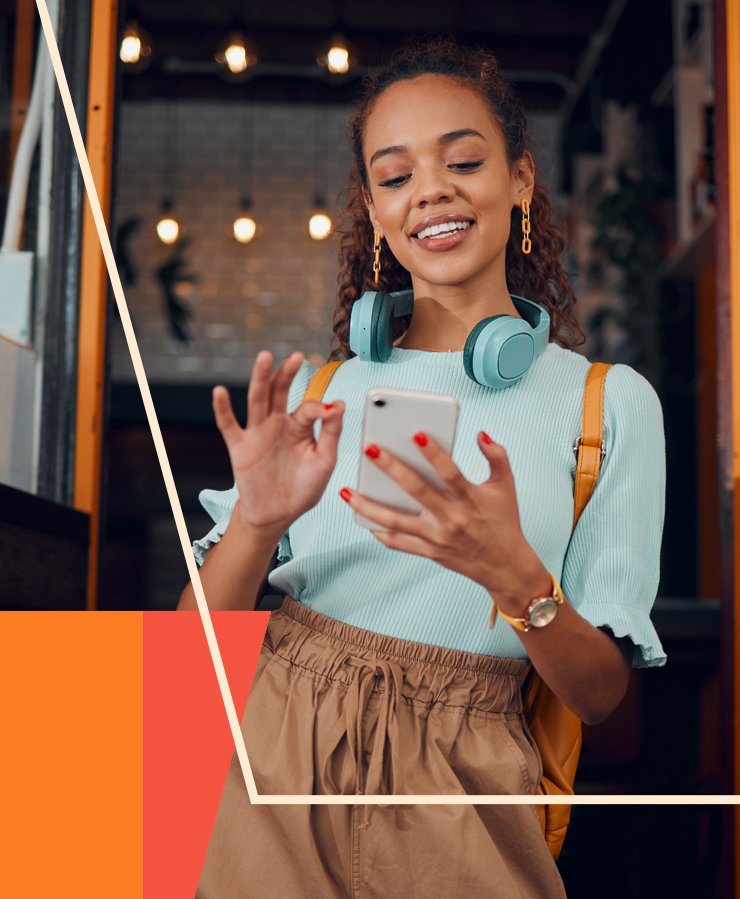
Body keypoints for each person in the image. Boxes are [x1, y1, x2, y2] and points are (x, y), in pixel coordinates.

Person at [180, 38, 666, 899]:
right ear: (373, 207)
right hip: (267, 760)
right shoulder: (319, 389)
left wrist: (517, 579)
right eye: (395, 176)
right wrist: (254, 523)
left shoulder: (609, 405)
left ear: (520, 179)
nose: (431, 191)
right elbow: (185, 656)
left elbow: (599, 697)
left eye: (464, 160)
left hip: (466, 787)